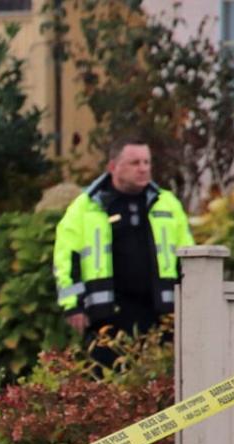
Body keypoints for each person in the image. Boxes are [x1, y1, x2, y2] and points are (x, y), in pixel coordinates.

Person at [53, 137, 193, 367]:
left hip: (160, 313)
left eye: (147, 162)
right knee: (109, 383)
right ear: (113, 167)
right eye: (135, 163)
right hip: (107, 315)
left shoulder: (167, 204)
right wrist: (73, 306)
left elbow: (188, 255)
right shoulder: (86, 207)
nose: (143, 168)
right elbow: (66, 260)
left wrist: (189, 300)